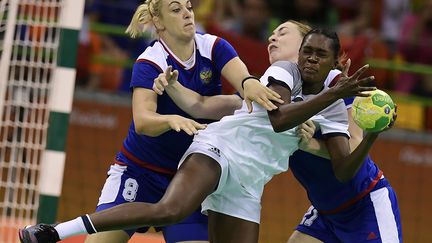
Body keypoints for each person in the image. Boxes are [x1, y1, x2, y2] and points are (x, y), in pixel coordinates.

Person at [19, 27, 381, 243]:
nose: (310, 59)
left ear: (335, 62)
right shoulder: (285, 71)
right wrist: (333, 94)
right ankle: (55, 231)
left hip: (248, 182)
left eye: (320, 55)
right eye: (307, 51)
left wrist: (371, 136)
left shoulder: (333, 106)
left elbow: (343, 168)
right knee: (170, 210)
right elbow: (279, 119)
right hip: (219, 150)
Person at [59, 0, 283, 243]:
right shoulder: (150, 62)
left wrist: (250, 83)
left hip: (188, 178)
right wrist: (171, 120)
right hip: (140, 172)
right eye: (176, 10)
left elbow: (244, 79)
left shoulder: (214, 46)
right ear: (158, 22)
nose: (187, 14)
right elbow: (143, 121)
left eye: (188, 7)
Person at [286, 71, 402, 243]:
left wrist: (309, 145)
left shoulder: (338, 85)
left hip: (364, 203)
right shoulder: (276, 85)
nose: (272, 41)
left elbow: (351, 149)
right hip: (326, 212)